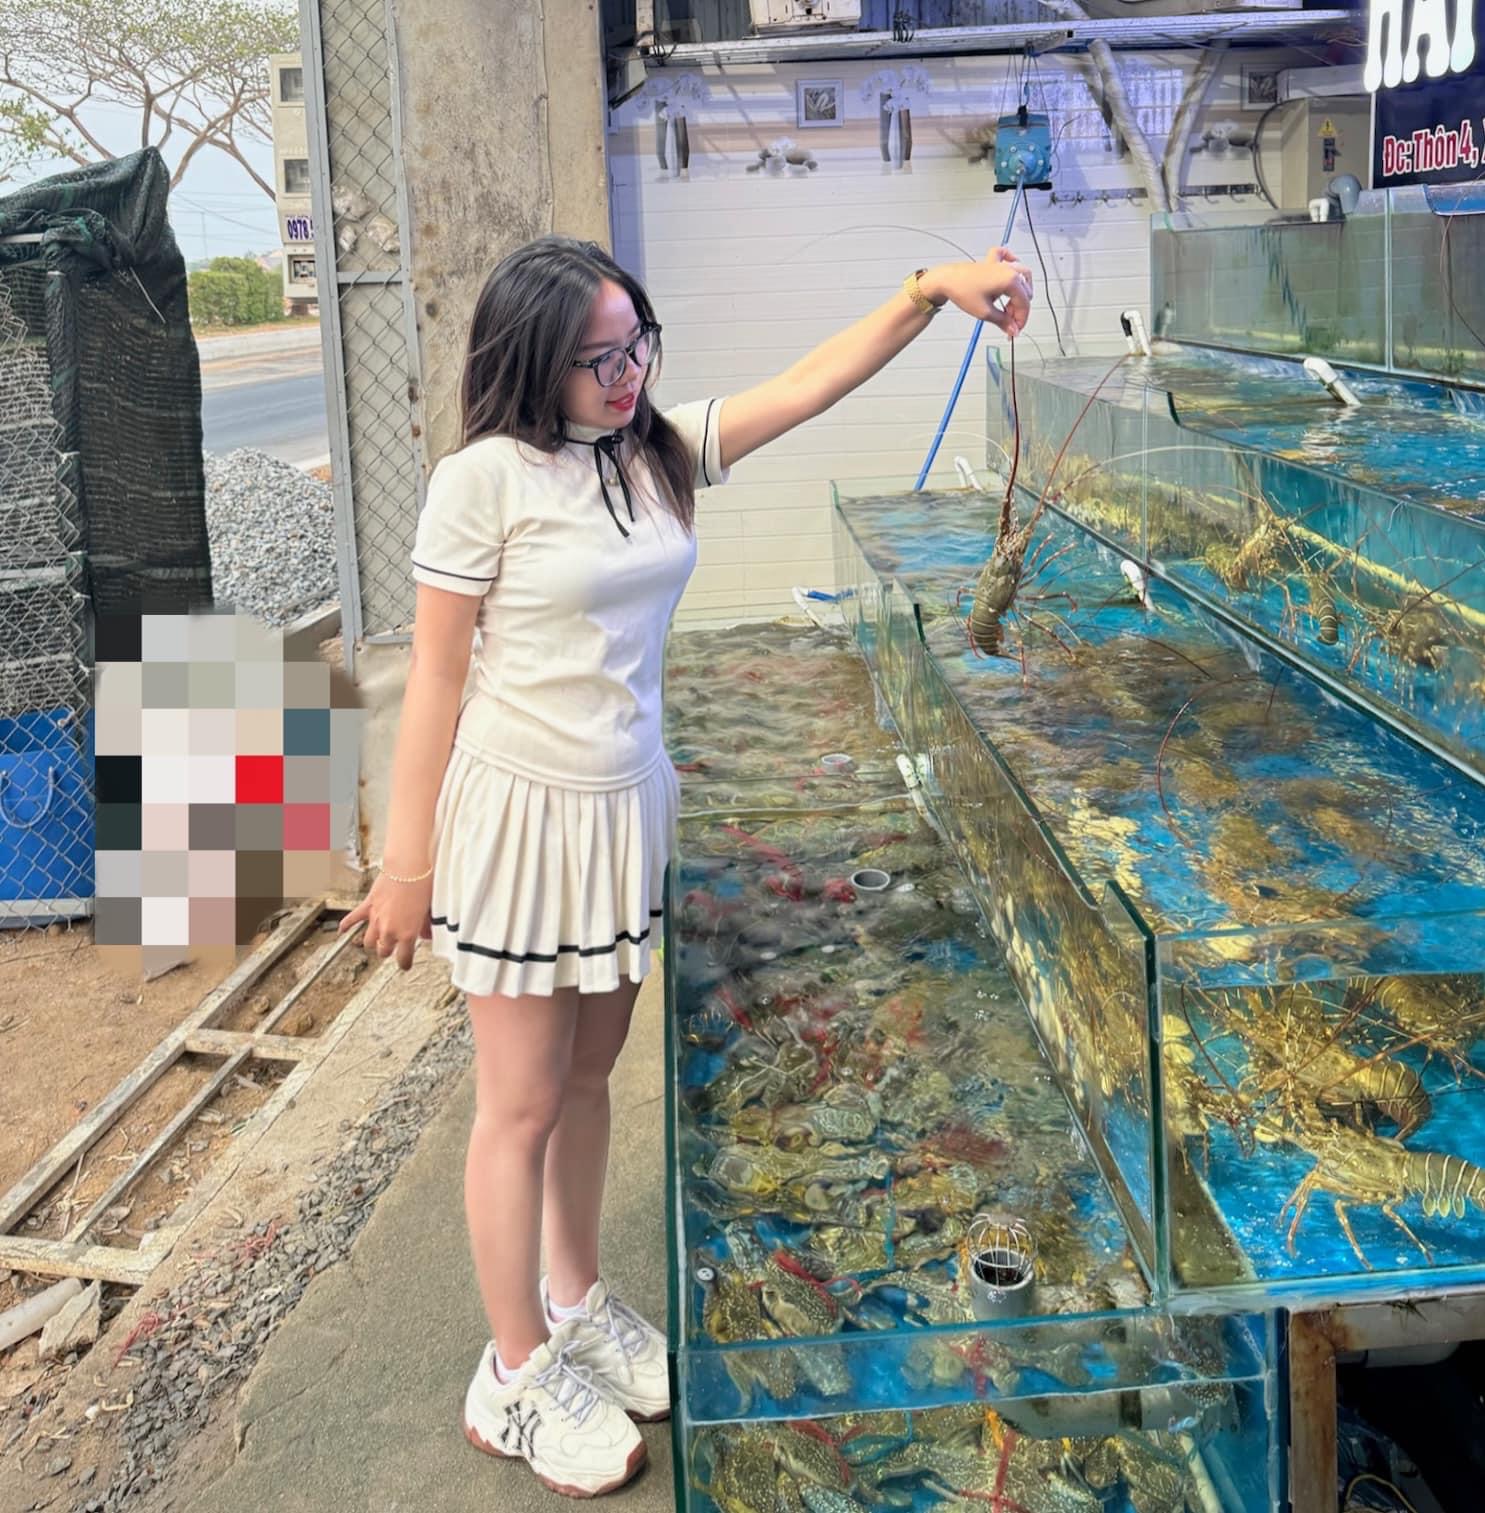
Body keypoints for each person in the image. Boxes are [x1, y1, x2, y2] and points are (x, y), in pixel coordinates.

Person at [341, 235, 1033, 1498]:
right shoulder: (480, 480)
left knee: (589, 1077)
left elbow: (811, 384)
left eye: (637, 346)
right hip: (519, 820)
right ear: (531, 363)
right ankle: (512, 1373)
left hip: (626, 809)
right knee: (518, 1104)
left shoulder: (652, 450)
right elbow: (435, 675)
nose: (627, 375)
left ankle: (575, 1301)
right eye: (597, 359)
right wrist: (405, 862)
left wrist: (927, 291)